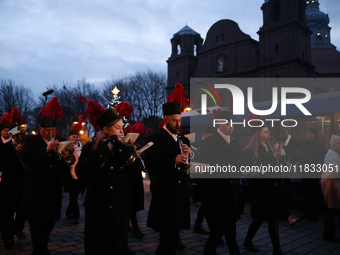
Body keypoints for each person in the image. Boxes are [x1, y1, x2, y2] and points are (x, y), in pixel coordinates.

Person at [75, 98, 143, 255]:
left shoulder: (125, 148)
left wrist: (120, 148)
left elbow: (137, 170)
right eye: (118, 128)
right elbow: (82, 173)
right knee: (98, 247)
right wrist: (101, 150)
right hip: (98, 208)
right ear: (105, 129)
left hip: (120, 207)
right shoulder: (90, 148)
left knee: (118, 246)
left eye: (122, 128)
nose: (122, 131)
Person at [20, 97, 70, 255]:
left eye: (52, 131)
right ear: (40, 129)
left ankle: (42, 242)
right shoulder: (31, 140)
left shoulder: (59, 140)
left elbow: (68, 161)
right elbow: (26, 155)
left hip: (54, 189)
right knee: (36, 222)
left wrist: (67, 155)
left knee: (51, 219)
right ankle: (39, 249)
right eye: (46, 131)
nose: (49, 133)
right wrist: (46, 150)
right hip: (36, 189)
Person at [144, 102, 191, 255]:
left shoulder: (183, 140)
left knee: (172, 235)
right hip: (165, 193)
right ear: (165, 119)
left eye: (179, 121)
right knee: (168, 236)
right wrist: (173, 161)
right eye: (174, 121)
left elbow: (187, 165)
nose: (178, 124)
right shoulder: (155, 139)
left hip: (180, 192)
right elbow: (151, 162)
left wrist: (190, 155)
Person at [199, 111, 243, 255]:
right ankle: (232, 251)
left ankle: (210, 250)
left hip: (232, 190)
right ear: (219, 123)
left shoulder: (234, 141)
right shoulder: (211, 141)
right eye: (228, 123)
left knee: (222, 226)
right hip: (219, 191)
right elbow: (208, 165)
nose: (231, 126)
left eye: (232, 124)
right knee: (227, 224)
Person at [243, 126, 285, 255]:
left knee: (259, 218)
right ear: (258, 134)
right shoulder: (251, 150)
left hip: (269, 187)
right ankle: (277, 249)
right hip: (260, 188)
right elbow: (246, 170)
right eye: (265, 132)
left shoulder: (270, 148)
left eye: (268, 132)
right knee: (272, 217)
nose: (268, 134)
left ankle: (247, 241)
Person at [0, 115, 26, 249]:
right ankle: (7, 237)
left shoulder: (17, 141)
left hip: (20, 180)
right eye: (5, 131)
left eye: (9, 131)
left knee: (21, 209)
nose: (7, 133)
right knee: (7, 211)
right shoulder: (4, 146)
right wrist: (14, 152)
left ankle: (18, 230)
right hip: (6, 181)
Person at [292, 128, 326, 221]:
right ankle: (307, 212)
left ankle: (314, 214)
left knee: (314, 194)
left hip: (314, 173)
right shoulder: (305, 143)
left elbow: (320, 160)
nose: (306, 134)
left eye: (308, 133)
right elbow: (295, 144)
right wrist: (288, 136)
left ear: (313, 134)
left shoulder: (319, 145)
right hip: (304, 172)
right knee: (306, 193)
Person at [321, 134, 340, 242]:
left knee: (333, 210)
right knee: (332, 210)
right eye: (339, 144)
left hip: (333, 184)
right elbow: (333, 171)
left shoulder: (336, 153)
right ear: (334, 144)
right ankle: (328, 235)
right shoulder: (331, 155)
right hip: (331, 185)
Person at [64, 129, 83, 224]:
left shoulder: (81, 146)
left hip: (79, 174)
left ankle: (68, 212)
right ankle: (76, 215)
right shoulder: (66, 147)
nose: (75, 139)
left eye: (76, 136)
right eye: (73, 137)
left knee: (74, 195)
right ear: (69, 138)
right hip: (69, 175)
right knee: (73, 196)